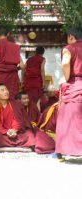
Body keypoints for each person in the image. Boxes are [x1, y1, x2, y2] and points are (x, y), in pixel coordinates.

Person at [56, 27, 82, 157]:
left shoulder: (69, 48)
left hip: (75, 85)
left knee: (67, 117)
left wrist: (65, 78)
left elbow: (65, 63)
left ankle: (69, 150)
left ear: (71, 37)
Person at [0, 26, 25, 105]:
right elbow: (23, 66)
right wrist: (14, 68)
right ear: (8, 34)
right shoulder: (15, 47)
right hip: (12, 77)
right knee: (12, 99)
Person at [0, 83, 35, 148]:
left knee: (29, 135)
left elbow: (19, 120)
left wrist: (14, 130)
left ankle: (9, 144)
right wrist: (7, 132)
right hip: (3, 133)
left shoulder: (16, 104)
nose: (6, 92)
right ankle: (19, 144)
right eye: (2, 90)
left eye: (6, 89)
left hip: (17, 131)